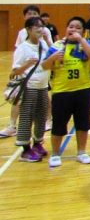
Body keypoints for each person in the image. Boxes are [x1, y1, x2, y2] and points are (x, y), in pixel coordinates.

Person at [46, 16, 90, 167]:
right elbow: (44, 66)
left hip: (83, 90)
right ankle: (55, 154)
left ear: (83, 31)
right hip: (61, 92)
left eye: (77, 27)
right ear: (66, 28)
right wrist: (52, 58)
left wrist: (82, 40)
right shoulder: (57, 45)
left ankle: (81, 152)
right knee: (59, 124)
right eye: (71, 27)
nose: (73, 30)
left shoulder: (87, 44)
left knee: (83, 123)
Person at [12, 17, 63, 162]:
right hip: (29, 87)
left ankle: (37, 143)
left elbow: (51, 61)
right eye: (36, 27)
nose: (40, 29)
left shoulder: (43, 45)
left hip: (43, 87)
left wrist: (48, 40)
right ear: (28, 29)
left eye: (41, 26)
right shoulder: (23, 48)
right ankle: (25, 149)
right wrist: (27, 64)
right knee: (26, 118)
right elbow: (14, 72)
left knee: (41, 117)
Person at [1, 5, 53, 139]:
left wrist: (47, 39)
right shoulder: (22, 34)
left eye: (35, 13)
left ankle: (48, 121)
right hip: (27, 78)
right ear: (25, 18)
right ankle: (12, 126)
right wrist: (26, 64)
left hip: (41, 74)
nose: (32, 16)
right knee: (21, 103)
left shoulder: (44, 31)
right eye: (29, 14)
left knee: (44, 99)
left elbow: (51, 51)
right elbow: (19, 55)